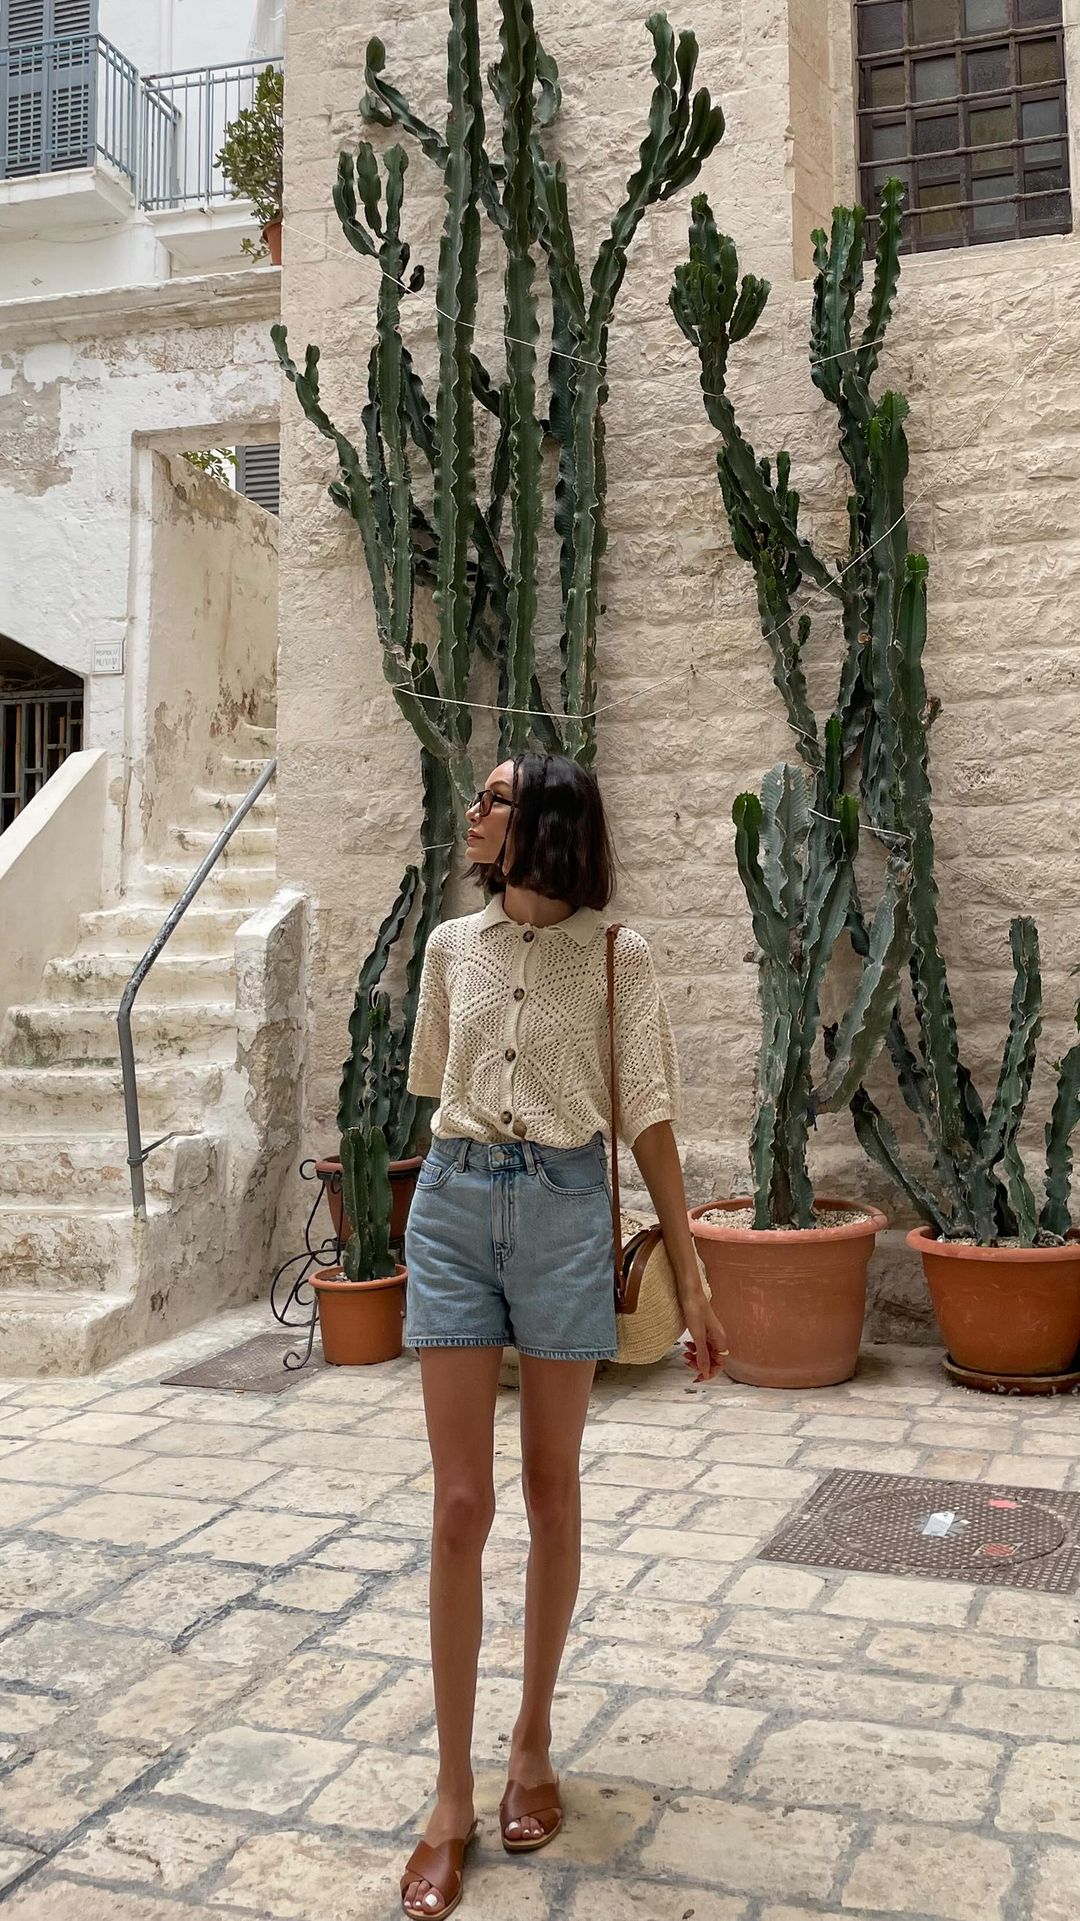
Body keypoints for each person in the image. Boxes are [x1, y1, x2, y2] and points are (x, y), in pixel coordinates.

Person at [399, 751, 726, 1919]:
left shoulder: (618, 956)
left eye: (493, 799)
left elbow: (649, 1119)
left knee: (550, 1487)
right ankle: (450, 1794)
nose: (474, 811)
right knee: (458, 1505)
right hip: (452, 1203)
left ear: (542, 821)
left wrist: (695, 1276)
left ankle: (531, 1739)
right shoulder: (451, 947)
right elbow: (434, 1083)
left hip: (564, 1213)